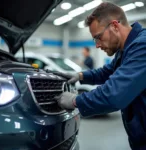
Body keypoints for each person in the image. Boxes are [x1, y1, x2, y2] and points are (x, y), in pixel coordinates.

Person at [55, 2, 146, 150]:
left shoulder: (142, 46)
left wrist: (75, 101)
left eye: (98, 37)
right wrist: (79, 75)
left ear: (115, 26)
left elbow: (114, 95)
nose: (97, 45)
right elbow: (106, 72)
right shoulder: (125, 51)